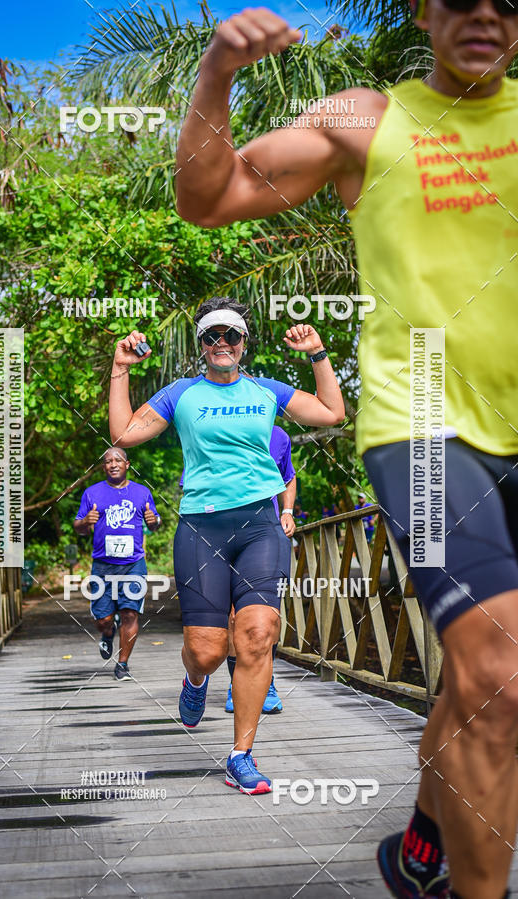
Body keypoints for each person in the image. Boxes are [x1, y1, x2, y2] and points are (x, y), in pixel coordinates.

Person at [174, 2, 518, 896]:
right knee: (501, 678)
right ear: (423, 9)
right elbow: (207, 199)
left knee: (481, 688)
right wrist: (218, 72)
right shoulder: (367, 120)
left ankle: (422, 844)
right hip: (429, 430)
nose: (486, 13)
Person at [109, 296, 344, 794]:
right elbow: (124, 433)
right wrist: (120, 369)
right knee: (207, 651)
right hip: (201, 527)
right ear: (201, 344)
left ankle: (241, 756)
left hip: (260, 524)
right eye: (212, 335)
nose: (222, 344)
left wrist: (318, 354)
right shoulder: (180, 394)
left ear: (243, 344)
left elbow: (331, 412)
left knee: (258, 634)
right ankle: (196, 682)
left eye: (231, 335)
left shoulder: (267, 391)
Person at [223, 424, 297, 715]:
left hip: (266, 534)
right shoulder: (217, 428)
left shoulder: (278, 436)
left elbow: (288, 477)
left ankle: (266, 683)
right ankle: (235, 685)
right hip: (223, 533)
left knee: (268, 616)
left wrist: (287, 511)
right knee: (234, 615)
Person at [74, 448, 161, 680]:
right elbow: (78, 527)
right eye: (108, 461)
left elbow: (154, 523)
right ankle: (107, 632)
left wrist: (154, 521)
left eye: (117, 460)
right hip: (102, 565)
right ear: (104, 467)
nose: (113, 464)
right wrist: (85, 522)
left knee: (130, 613)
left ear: (127, 464)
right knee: (102, 618)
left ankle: (122, 664)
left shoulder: (142, 492)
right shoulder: (92, 493)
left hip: (134, 564)